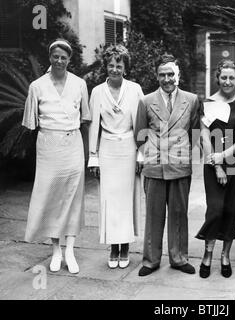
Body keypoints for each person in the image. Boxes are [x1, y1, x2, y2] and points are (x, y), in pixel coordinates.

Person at [22, 38, 91, 274]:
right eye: (56, 56)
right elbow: (31, 124)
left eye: (64, 57)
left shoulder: (80, 84)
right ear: (49, 58)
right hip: (48, 146)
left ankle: (70, 250)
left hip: (72, 145)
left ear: (69, 60)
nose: (59, 61)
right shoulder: (37, 86)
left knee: (73, 197)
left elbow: (85, 120)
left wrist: (88, 153)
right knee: (51, 197)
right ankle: (56, 251)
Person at [134, 53, 200, 276]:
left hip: (180, 164)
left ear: (178, 75)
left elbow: (195, 132)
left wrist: (181, 153)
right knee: (153, 214)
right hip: (155, 166)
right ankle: (151, 260)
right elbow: (140, 135)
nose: (167, 79)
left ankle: (179, 258)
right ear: (156, 76)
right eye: (162, 74)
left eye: (171, 74)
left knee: (179, 213)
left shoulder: (191, 100)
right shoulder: (146, 101)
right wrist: (150, 157)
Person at [88, 44, 144, 269]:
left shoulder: (135, 89)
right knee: (109, 200)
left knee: (127, 199)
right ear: (105, 67)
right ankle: (113, 247)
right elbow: (93, 126)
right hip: (108, 150)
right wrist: (94, 157)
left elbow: (141, 123)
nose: (114, 69)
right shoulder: (97, 92)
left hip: (130, 148)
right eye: (110, 65)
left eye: (119, 65)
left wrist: (141, 153)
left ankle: (125, 247)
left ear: (125, 67)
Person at [195, 59, 235, 278]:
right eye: (223, 77)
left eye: (231, 77)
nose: (227, 81)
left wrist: (224, 155)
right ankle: (207, 254)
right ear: (217, 78)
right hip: (213, 165)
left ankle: (225, 256)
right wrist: (217, 164)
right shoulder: (208, 103)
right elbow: (203, 137)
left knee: (232, 211)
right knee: (215, 209)